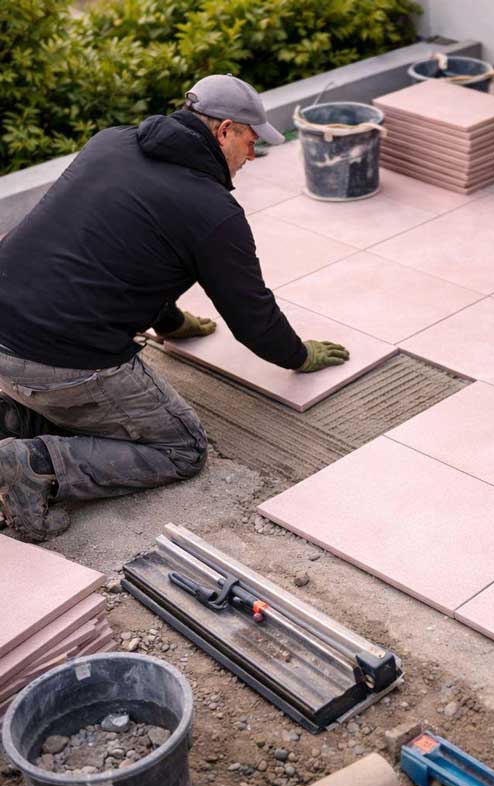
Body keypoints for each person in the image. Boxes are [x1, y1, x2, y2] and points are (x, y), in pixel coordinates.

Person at [0, 74, 349, 542]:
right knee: (182, 448)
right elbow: (251, 316)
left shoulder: (111, 145)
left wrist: (173, 322)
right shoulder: (212, 211)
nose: (252, 155)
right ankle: (32, 465)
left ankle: (12, 416)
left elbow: (121, 258)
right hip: (62, 357)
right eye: (249, 141)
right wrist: (298, 356)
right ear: (224, 130)